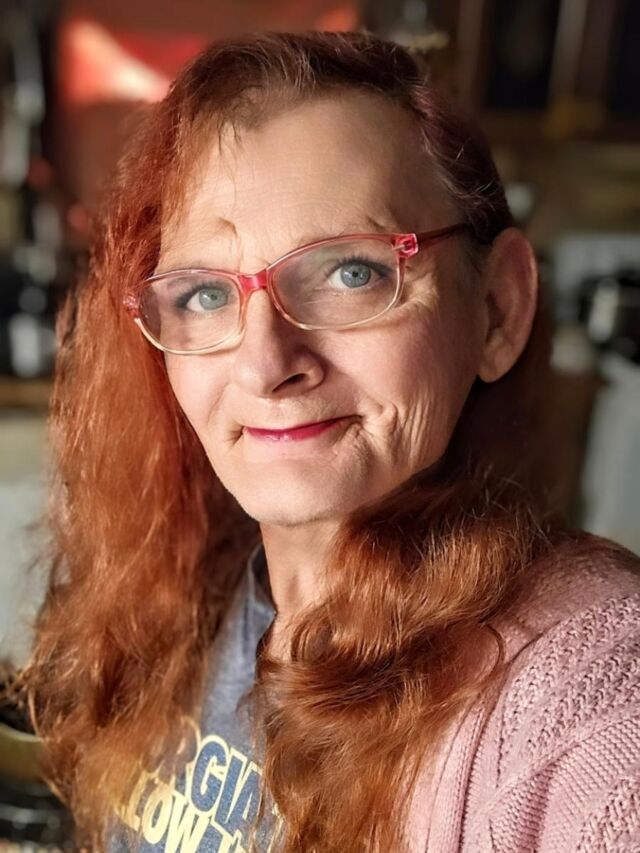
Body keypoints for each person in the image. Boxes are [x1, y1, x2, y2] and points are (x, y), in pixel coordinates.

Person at [10, 29, 640, 853]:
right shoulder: (191, 579)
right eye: (204, 293)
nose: (266, 364)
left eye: (352, 271)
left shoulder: (587, 695)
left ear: (497, 310)